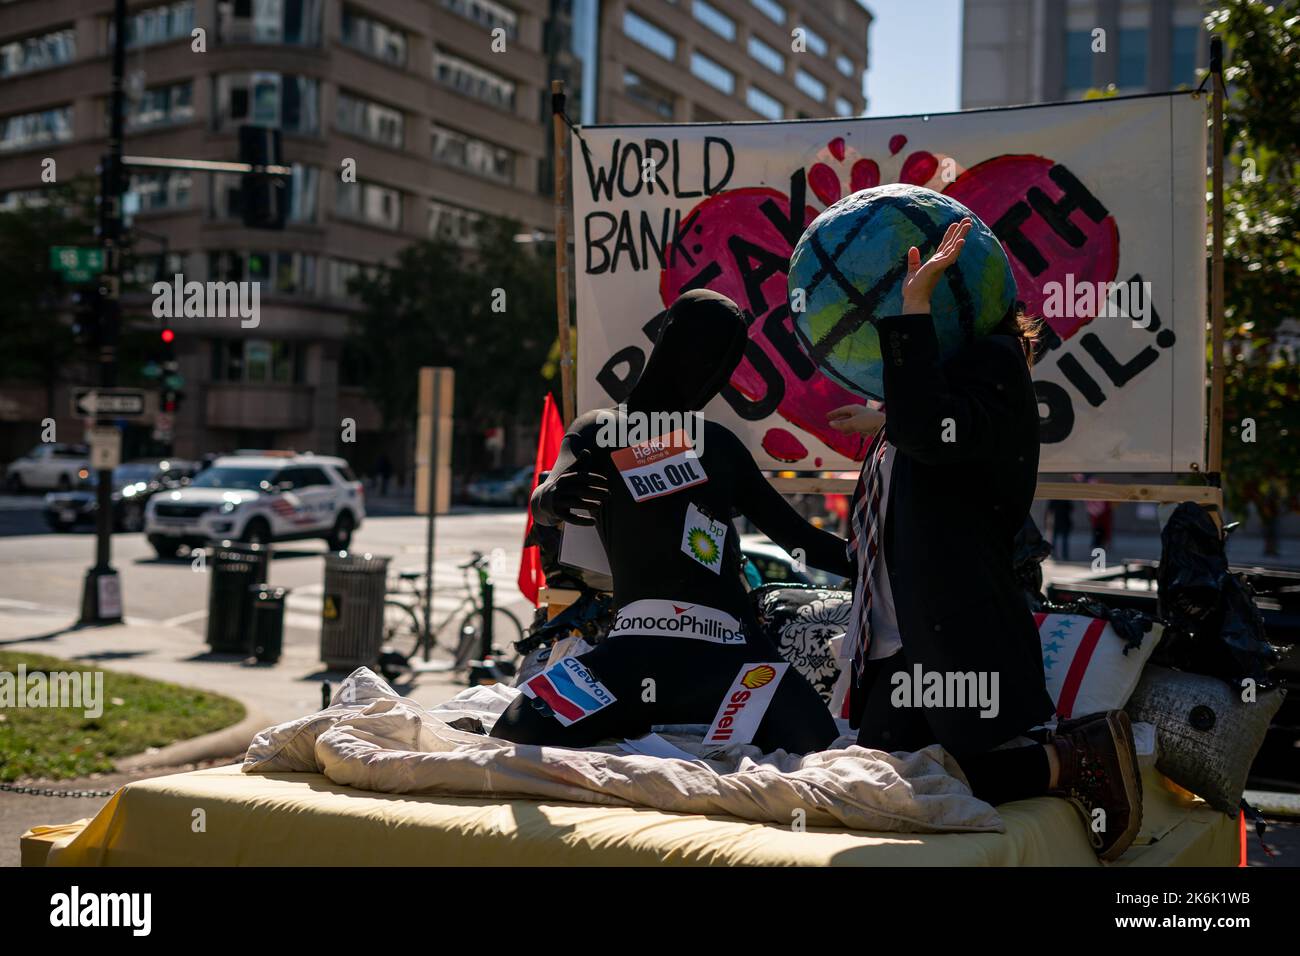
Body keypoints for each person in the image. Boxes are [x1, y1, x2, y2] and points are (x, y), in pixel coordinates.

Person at [826, 218, 1143, 861]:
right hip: (900, 643)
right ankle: (1066, 759)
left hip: (953, 634)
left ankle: (1072, 760)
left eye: (924, 293)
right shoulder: (942, 392)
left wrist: (914, 311)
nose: (904, 303)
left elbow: (935, 432)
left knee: (922, 783)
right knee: (877, 783)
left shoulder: (993, 366)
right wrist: (884, 417)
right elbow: (929, 433)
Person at [492, 290, 852, 754]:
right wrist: (554, 498)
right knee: (513, 734)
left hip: (732, 655)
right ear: (669, 343)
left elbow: (799, 537)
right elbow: (546, 494)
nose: (711, 369)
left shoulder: (719, 446)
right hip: (633, 649)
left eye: (725, 358)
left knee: (822, 747)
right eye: (703, 350)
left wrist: (878, 564)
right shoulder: (601, 429)